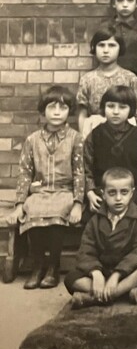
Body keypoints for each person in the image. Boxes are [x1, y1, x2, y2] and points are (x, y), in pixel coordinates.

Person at [7, 86, 84, 290]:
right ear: (43, 111)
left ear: (70, 111)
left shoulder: (75, 138)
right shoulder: (32, 140)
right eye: (52, 107)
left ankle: (53, 266)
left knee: (58, 212)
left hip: (64, 191)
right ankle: (37, 265)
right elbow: (24, 172)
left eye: (63, 107)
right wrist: (19, 204)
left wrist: (78, 203)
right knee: (33, 209)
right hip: (40, 192)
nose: (57, 112)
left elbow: (79, 172)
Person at [65, 168, 137, 309]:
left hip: (128, 272)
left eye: (124, 192)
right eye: (112, 193)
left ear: (132, 193)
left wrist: (117, 275)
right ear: (103, 195)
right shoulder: (95, 221)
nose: (118, 198)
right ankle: (123, 292)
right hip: (102, 271)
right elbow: (86, 250)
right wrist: (96, 274)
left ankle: (96, 297)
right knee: (71, 279)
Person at [84, 86, 137, 215]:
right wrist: (90, 192)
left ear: (131, 110)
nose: (115, 112)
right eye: (110, 106)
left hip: (131, 192)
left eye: (122, 107)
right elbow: (87, 167)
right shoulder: (95, 135)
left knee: (132, 217)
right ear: (103, 108)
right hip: (102, 191)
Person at [76, 27, 137, 138]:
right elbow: (82, 113)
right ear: (94, 47)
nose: (106, 50)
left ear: (120, 48)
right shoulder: (87, 79)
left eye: (112, 45)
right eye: (101, 45)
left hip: (125, 135)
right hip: (95, 132)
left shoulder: (131, 79)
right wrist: (84, 138)